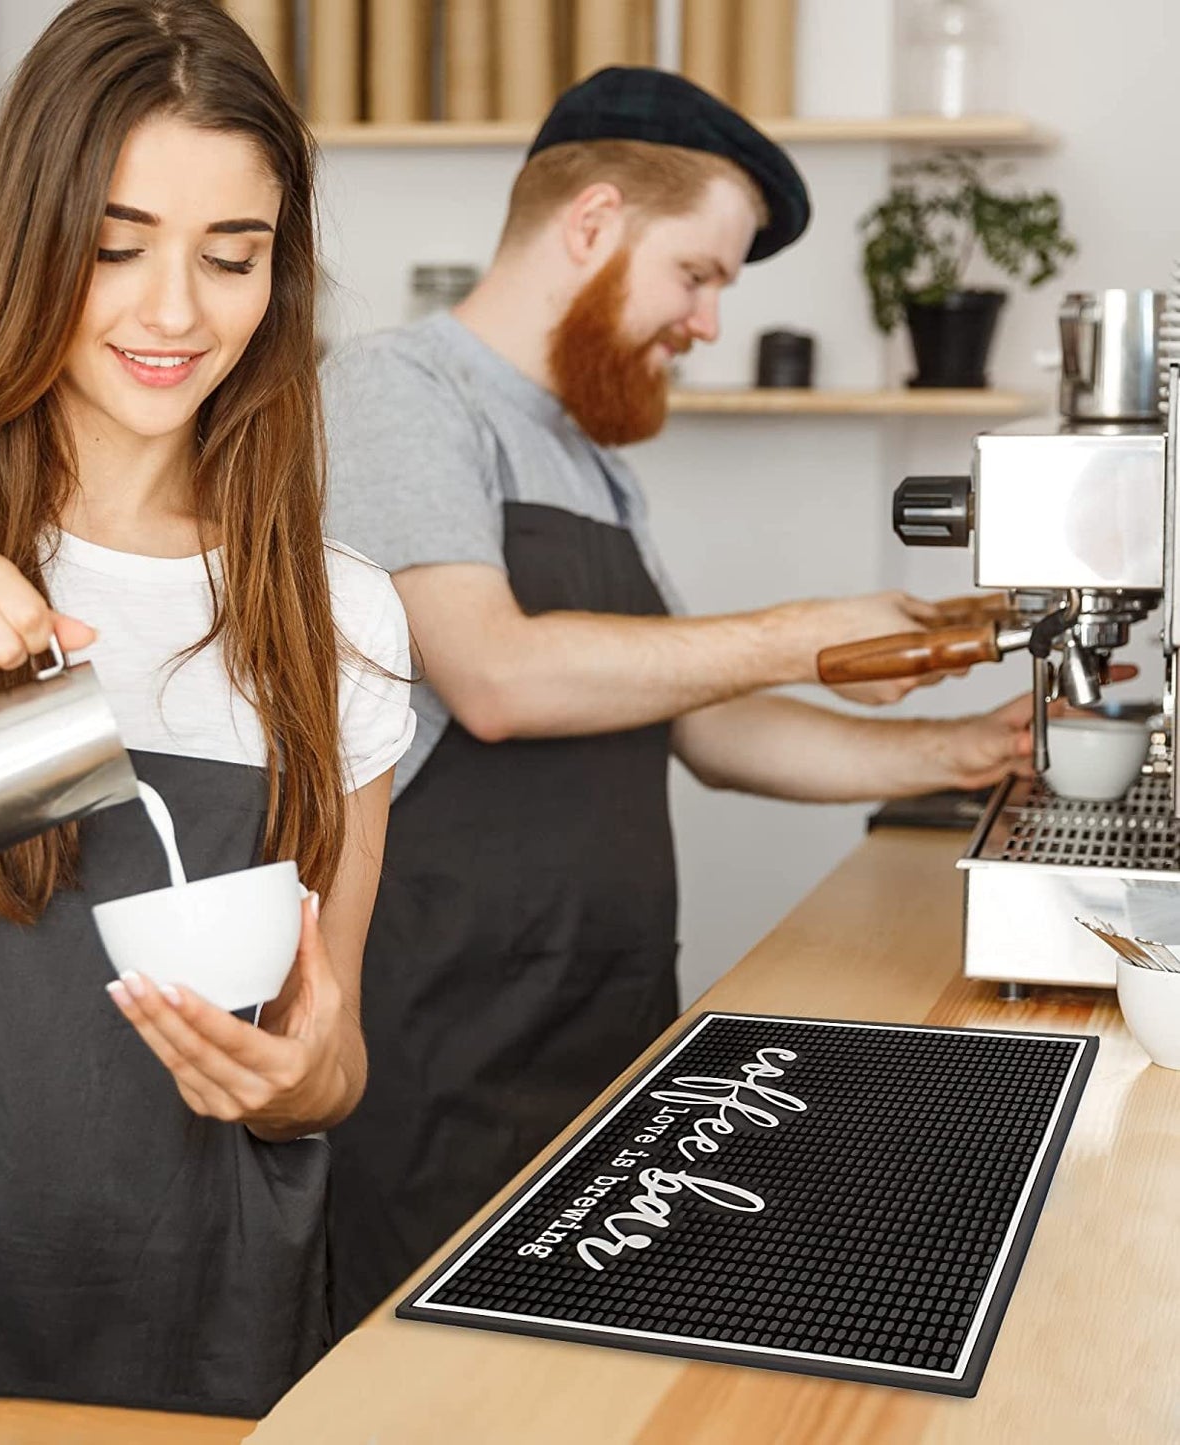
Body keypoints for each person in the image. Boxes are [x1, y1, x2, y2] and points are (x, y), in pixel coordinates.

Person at [0, 0, 412, 1417]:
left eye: (232, 257)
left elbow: (330, 1042)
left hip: (202, 1325)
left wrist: (291, 1078)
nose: (175, 311)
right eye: (117, 249)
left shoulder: (334, 612)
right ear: (30, 241)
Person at [319, 66, 1033, 1334]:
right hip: (440, 1030)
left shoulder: (586, 456)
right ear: (591, 222)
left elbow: (699, 722)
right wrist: (807, 633)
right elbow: (492, 674)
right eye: (699, 273)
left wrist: (955, 748)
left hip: (599, 1012)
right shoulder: (396, 391)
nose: (705, 321)